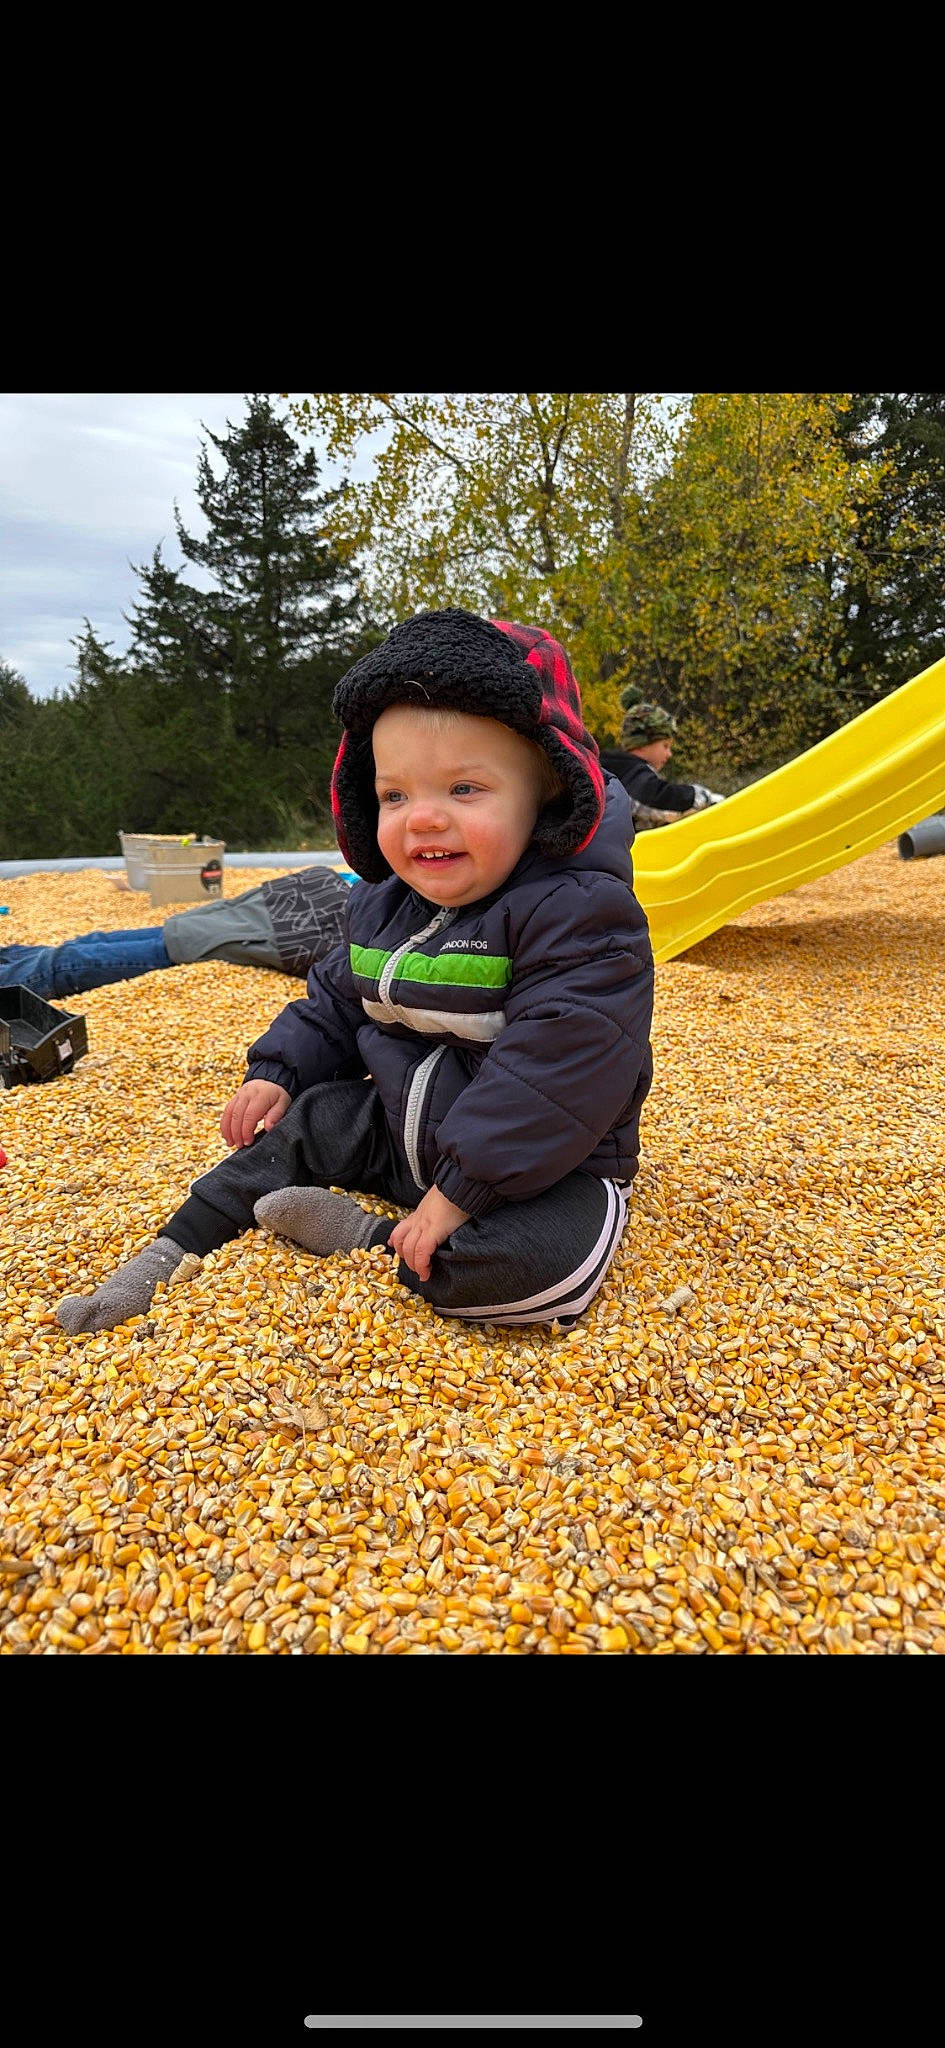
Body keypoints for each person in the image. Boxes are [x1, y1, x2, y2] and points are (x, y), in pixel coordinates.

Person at [55, 606, 655, 1338]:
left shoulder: (581, 915)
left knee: (538, 1273)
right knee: (293, 1131)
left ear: (548, 795)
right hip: (398, 1126)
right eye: (395, 795)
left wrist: (461, 1193)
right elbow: (336, 999)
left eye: (464, 789)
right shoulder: (381, 904)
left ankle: (367, 1239)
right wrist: (279, 1069)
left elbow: (558, 1068)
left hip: (539, 1162)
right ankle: (167, 1252)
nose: (422, 819)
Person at [0, 865, 356, 1000]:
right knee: (88, 944)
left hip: (195, 943)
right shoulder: (367, 892)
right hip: (197, 927)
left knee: (73, 961)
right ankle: (10, 960)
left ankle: (10, 978)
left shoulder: (359, 935)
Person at [598, 696, 726, 830]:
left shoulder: (611, 770)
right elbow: (658, 800)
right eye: (665, 746)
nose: (669, 754)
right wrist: (704, 797)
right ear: (642, 743)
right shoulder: (633, 773)